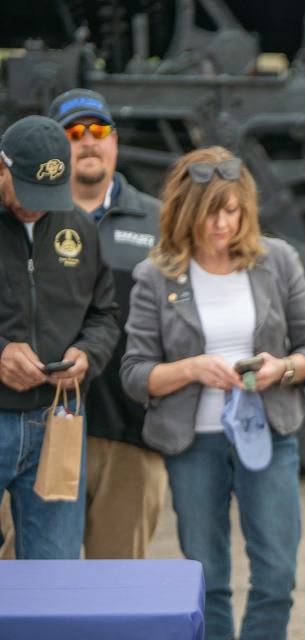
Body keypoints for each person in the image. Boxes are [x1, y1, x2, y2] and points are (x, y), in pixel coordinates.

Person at [120, 146, 305, 640]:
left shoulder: (277, 261)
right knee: (206, 578)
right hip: (195, 443)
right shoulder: (157, 274)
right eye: (209, 212)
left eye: (231, 210)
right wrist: (191, 368)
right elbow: (134, 373)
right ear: (185, 212)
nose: (221, 225)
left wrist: (283, 368)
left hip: (269, 436)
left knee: (277, 574)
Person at [49, 88, 167, 558]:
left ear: (115, 141)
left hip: (131, 438)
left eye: (98, 131)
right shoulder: (26, 218)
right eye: (74, 133)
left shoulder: (160, 223)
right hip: (42, 433)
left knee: (117, 591)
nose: (88, 141)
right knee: (30, 587)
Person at [0, 115, 119, 559]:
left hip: (58, 421)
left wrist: (87, 354)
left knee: (55, 576)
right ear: (2, 168)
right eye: (28, 194)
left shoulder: (79, 226)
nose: (38, 208)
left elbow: (105, 314)